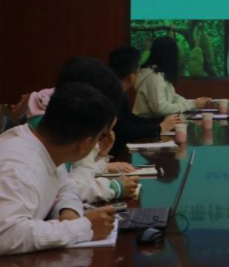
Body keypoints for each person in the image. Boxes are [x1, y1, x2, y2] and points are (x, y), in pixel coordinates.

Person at [0, 82, 118, 266]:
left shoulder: (41, 143)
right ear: (85, 143)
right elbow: (4, 237)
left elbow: (63, 185)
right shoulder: (21, 167)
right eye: (100, 136)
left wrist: (69, 213)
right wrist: (84, 227)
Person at [16, 57, 140, 202]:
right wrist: (112, 187)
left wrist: (99, 158)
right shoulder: (54, 130)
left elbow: (65, 181)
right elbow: (61, 189)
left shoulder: (57, 119)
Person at [108, 46, 179, 151]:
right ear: (132, 76)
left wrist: (163, 120)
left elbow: (132, 119)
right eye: (139, 72)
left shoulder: (120, 94)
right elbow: (125, 131)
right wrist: (160, 128)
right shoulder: (110, 97)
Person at [132, 36, 211, 117]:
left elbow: (173, 97)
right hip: (148, 123)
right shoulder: (154, 77)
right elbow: (161, 109)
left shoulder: (160, 74)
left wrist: (194, 102)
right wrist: (192, 105)